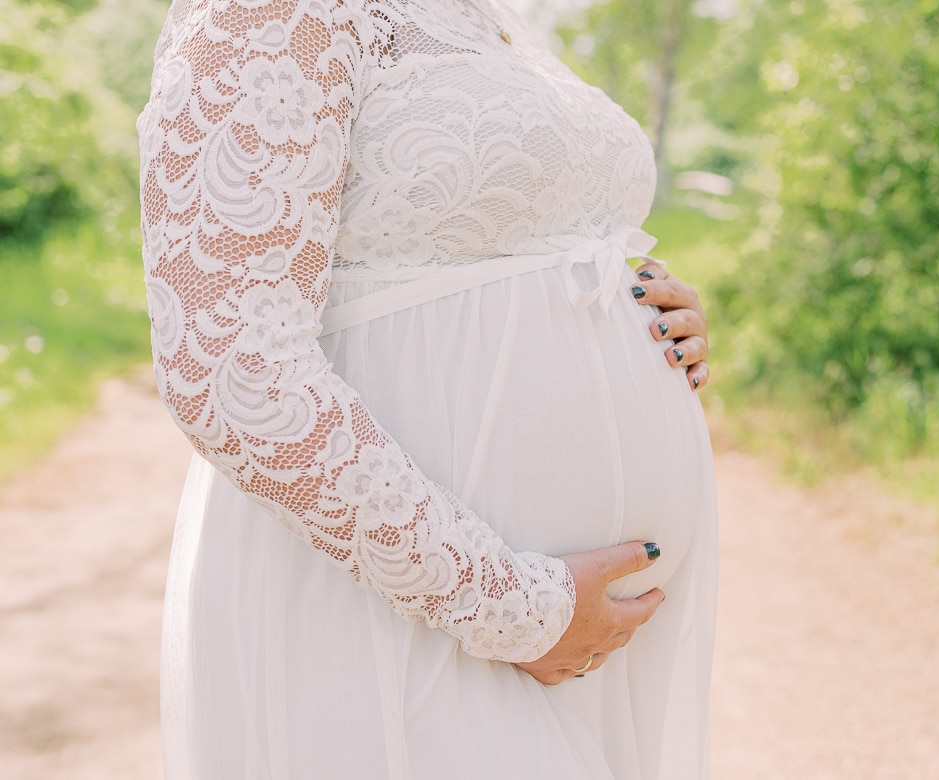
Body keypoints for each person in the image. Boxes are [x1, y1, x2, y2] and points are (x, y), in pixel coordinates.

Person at [137, 0, 718, 777]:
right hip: (405, 613)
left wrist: (635, 299)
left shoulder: (491, 15)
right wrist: (514, 608)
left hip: (580, 632)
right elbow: (232, 364)